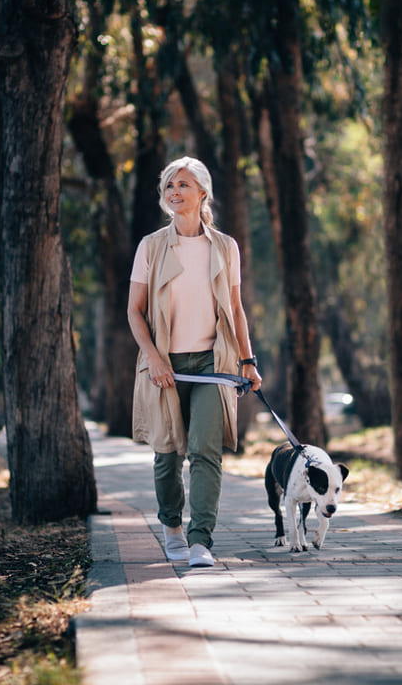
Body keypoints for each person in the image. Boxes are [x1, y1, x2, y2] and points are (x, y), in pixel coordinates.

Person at [127, 156, 262, 568]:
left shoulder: (224, 247)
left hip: (211, 364)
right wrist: (154, 359)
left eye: (183, 184)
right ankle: (172, 528)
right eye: (169, 185)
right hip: (165, 365)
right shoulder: (151, 246)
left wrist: (248, 361)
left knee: (206, 452)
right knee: (167, 453)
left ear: (202, 192)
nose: (174, 192)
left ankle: (201, 540)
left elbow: (235, 309)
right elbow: (134, 311)